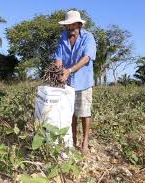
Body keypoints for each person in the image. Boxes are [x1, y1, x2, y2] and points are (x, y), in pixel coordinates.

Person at [53, 10, 96, 153]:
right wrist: (59, 71)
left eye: (71, 26)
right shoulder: (63, 37)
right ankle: (72, 139)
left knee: (84, 112)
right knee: (70, 113)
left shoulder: (88, 38)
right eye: (67, 26)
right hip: (68, 83)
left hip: (83, 81)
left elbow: (87, 58)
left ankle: (85, 142)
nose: (69, 29)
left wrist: (70, 70)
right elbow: (58, 57)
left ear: (78, 24)